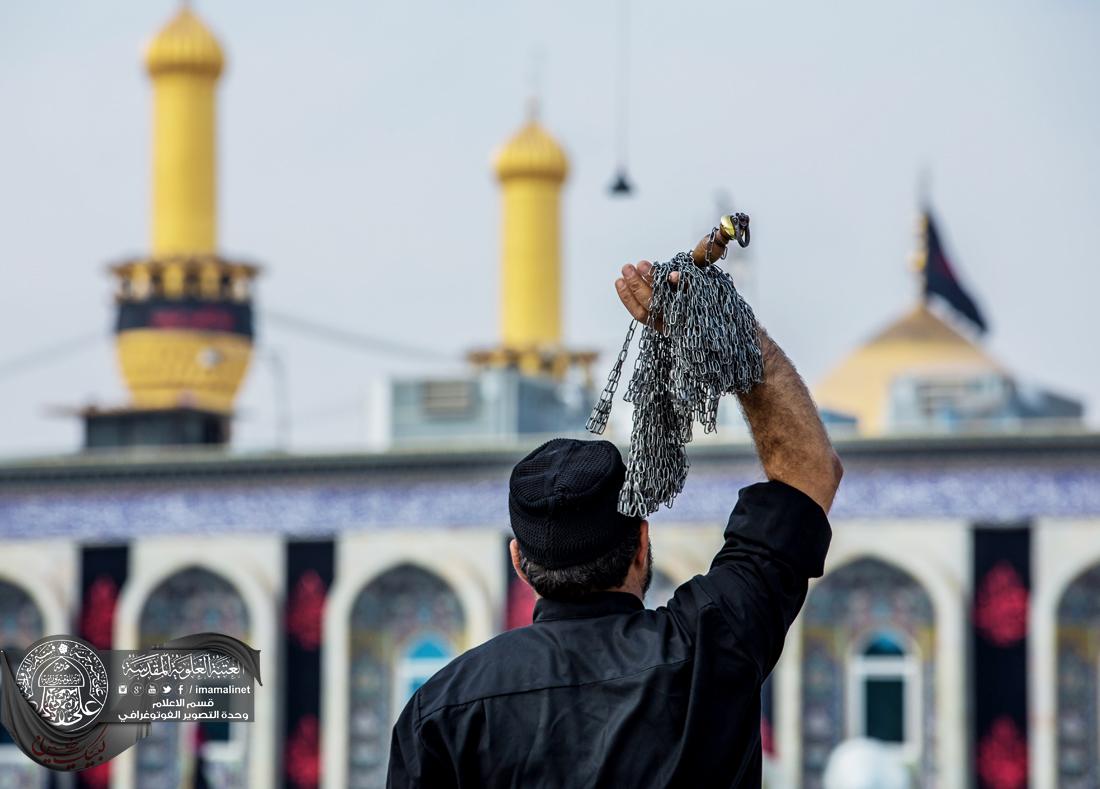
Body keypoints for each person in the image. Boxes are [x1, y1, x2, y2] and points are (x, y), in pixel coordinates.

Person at [387, 260, 843, 787]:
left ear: (521, 563)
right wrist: (725, 327)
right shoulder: (709, 648)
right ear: (642, 543)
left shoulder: (444, 712)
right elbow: (808, 472)